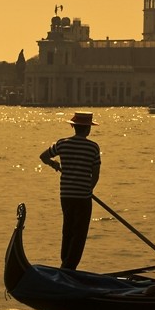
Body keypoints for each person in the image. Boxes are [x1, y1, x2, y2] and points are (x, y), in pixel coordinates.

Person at [40, 111, 101, 270]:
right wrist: (88, 190)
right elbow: (95, 175)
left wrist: (54, 164)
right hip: (83, 196)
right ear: (88, 129)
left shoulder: (62, 143)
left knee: (67, 229)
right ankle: (69, 268)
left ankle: (65, 262)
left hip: (66, 194)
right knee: (79, 233)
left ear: (73, 127)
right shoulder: (93, 147)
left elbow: (43, 157)